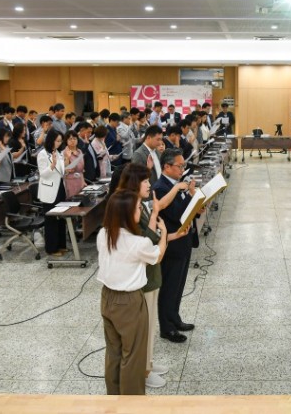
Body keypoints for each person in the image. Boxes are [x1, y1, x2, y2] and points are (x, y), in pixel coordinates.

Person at [116, 163, 188, 388]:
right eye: (146, 181)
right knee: (143, 329)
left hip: (152, 276)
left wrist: (174, 235)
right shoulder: (131, 210)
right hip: (143, 277)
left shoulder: (142, 205)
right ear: (134, 184)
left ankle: (149, 361)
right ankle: (143, 372)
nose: (150, 185)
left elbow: (156, 236)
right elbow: (148, 242)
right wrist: (159, 216)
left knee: (150, 326)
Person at [97, 189, 167, 395]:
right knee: (133, 356)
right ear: (129, 213)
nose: (141, 210)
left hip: (107, 297)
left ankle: (113, 399)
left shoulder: (104, 234)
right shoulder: (138, 243)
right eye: (138, 208)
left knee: (114, 353)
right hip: (129, 302)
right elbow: (158, 255)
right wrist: (163, 236)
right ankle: (131, 404)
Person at [153, 148, 199, 343]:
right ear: (167, 167)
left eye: (183, 165)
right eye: (179, 166)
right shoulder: (161, 188)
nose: (182, 169)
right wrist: (188, 195)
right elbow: (176, 214)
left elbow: (188, 209)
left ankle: (175, 318)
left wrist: (193, 196)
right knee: (169, 286)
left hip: (184, 240)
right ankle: (167, 327)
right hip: (172, 243)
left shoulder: (177, 184)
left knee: (179, 284)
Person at [38, 129, 67, 256]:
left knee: (61, 218)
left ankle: (61, 245)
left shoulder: (59, 153)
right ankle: (51, 248)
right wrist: (52, 165)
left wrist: (66, 165)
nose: (60, 143)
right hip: (49, 189)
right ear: (51, 140)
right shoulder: (43, 154)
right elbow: (43, 174)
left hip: (60, 187)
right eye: (57, 141)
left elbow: (61, 172)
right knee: (51, 220)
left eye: (61, 141)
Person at [62, 130, 86, 198]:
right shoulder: (64, 153)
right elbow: (65, 170)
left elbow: (81, 170)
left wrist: (83, 181)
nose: (73, 141)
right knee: (74, 203)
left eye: (74, 139)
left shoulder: (79, 151)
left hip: (80, 181)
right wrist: (67, 157)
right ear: (66, 141)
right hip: (70, 182)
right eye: (70, 139)